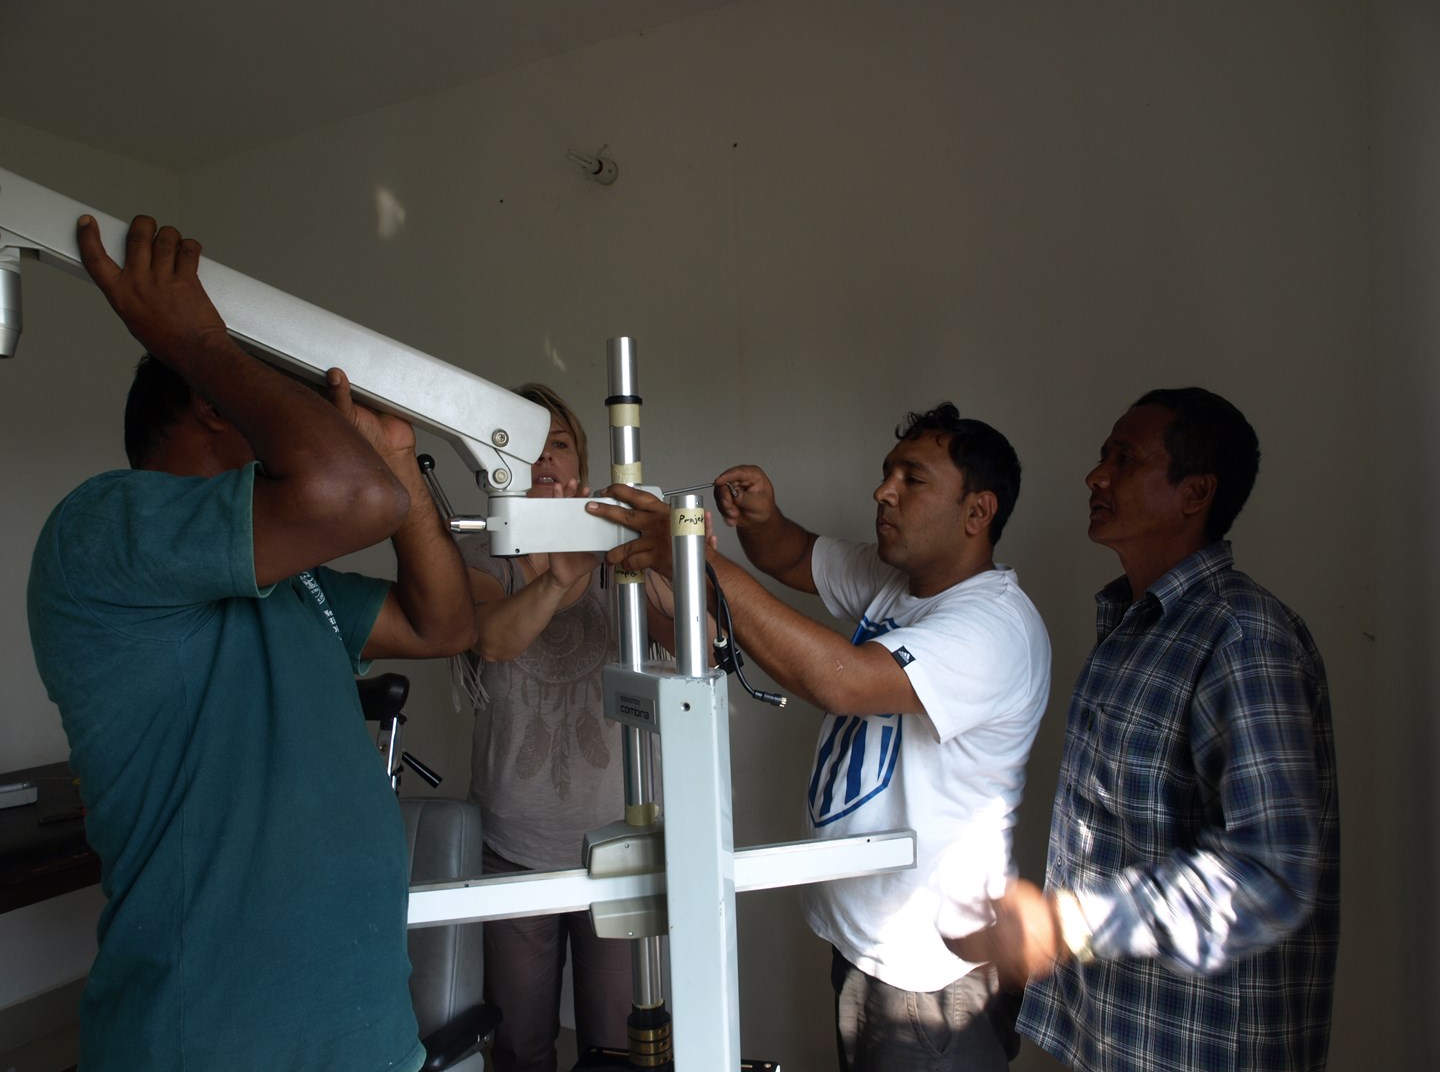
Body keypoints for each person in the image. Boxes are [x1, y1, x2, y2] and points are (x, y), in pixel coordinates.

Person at [27, 216, 477, 1072]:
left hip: (370, 1041)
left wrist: (400, 462)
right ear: (213, 403)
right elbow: (352, 498)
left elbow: (444, 625)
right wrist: (199, 342)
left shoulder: (294, 579)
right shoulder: (101, 528)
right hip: (214, 1046)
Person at [589, 403, 1051, 1072]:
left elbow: (843, 681)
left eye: (912, 479)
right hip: (867, 944)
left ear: (977, 511)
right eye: (887, 472)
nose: (883, 491)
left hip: (931, 972)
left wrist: (694, 559)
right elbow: (795, 556)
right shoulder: (898, 581)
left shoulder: (993, 626)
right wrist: (763, 520)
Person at [953, 388, 1340, 1071]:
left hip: (1203, 1045)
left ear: (1195, 493)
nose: (1095, 476)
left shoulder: (1242, 636)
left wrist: (1066, 923)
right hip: (1118, 1031)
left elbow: (1270, 873)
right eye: (1103, 456)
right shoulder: (1135, 626)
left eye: (1124, 460)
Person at [453, 383, 674, 1072]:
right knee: (521, 1048)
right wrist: (555, 580)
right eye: (523, 443)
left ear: (580, 463)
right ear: (495, 461)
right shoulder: (481, 548)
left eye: (558, 443)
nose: (544, 457)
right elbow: (493, 640)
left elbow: (693, 640)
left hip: (618, 841)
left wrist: (668, 555)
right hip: (512, 842)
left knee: (618, 1046)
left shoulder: (619, 550)